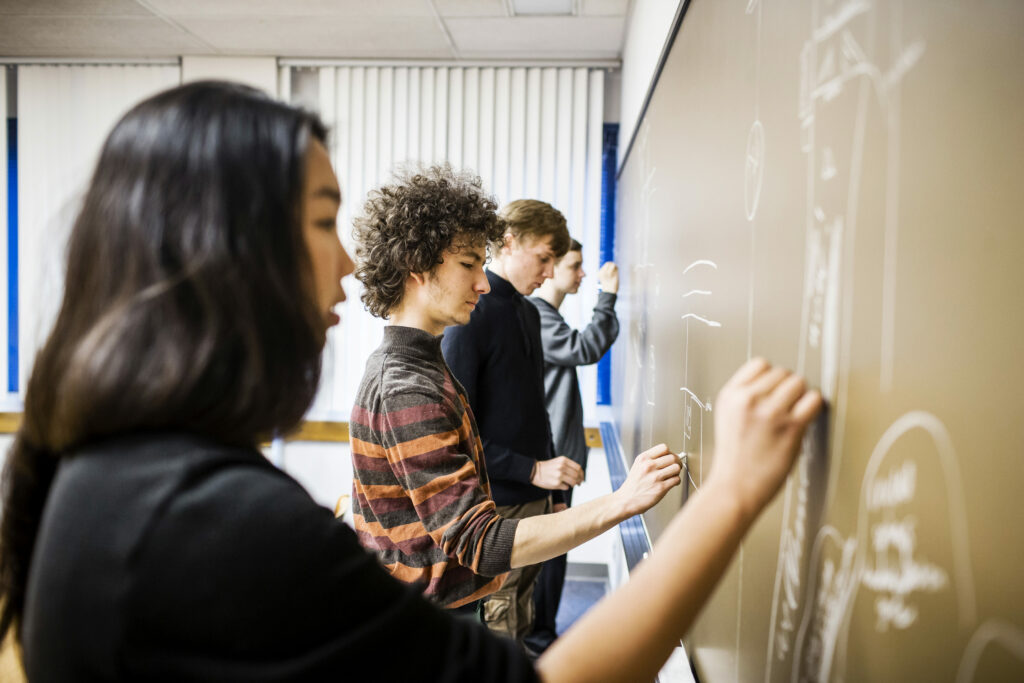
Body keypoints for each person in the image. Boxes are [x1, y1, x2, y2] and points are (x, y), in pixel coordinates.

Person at [0, 80, 823, 683]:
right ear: (229, 249)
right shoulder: (216, 518)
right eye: (323, 222)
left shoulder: (110, 473)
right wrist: (731, 495)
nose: (350, 263)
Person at [348, 169, 679, 620]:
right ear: (416, 266)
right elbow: (479, 542)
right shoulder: (405, 388)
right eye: (468, 265)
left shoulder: (422, 363)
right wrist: (623, 501)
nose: (483, 284)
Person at [439, 198, 591, 643]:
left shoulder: (527, 312)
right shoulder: (472, 314)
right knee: (499, 627)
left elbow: (534, 412)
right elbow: (457, 429)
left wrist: (553, 493)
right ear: (508, 242)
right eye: (544, 258)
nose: (548, 272)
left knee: (522, 619)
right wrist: (531, 470)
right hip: (496, 508)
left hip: (535, 500)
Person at [525, 241, 620, 653]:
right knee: (550, 552)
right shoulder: (538, 316)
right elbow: (584, 349)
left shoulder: (545, 316)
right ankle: (539, 640)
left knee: (554, 551)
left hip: (558, 454)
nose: (582, 275)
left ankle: (541, 636)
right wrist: (608, 296)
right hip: (550, 459)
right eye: (574, 266)